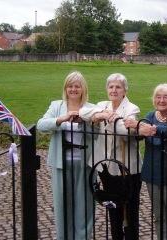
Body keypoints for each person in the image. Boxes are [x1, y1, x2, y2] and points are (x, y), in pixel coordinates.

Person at [79, 73, 142, 240]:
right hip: (105, 167)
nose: (114, 90)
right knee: (113, 207)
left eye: (118, 87)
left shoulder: (132, 108)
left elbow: (124, 133)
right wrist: (102, 114)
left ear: (124, 91)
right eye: (111, 86)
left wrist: (114, 120)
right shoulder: (102, 105)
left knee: (130, 209)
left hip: (127, 168)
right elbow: (83, 112)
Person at [124, 83, 167, 239]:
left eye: (166, 97)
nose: (162, 100)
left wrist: (151, 129)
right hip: (152, 173)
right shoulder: (151, 115)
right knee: (159, 215)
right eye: (158, 97)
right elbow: (138, 134)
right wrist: (138, 127)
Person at [37, 71, 94, 240]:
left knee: (84, 205)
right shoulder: (56, 106)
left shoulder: (90, 108)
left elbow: (99, 134)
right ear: (65, 88)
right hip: (61, 163)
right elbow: (41, 125)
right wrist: (61, 120)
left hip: (85, 164)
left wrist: (86, 123)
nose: (73, 89)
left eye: (77, 86)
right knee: (62, 205)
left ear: (83, 89)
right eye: (70, 86)